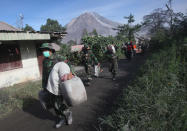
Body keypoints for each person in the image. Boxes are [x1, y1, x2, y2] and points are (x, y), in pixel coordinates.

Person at [40, 43, 72, 128]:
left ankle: (67, 114)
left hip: (58, 85)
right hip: (49, 85)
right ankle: (61, 117)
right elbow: (44, 74)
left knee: (57, 103)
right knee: (53, 103)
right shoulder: (44, 60)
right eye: (43, 50)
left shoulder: (59, 57)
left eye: (45, 50)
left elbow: (68, 66)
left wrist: (69, 74)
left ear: (50, 50)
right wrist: (44, 85)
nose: (44, 52)